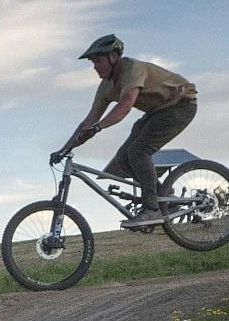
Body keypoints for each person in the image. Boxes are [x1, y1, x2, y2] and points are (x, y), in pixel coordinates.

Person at [54, 34, 198, 229]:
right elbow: (89, 120)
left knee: (139, 151)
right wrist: (64, 149)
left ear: (114, 56)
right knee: (123, 159)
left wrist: (98, 128)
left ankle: (152, 209)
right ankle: (165, 200)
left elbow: (125, 106)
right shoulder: (106, 86)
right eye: (93, 62)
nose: (95, 66)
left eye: (98, 61)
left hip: (181, 105)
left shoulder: (132, 69)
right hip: (158, 111)